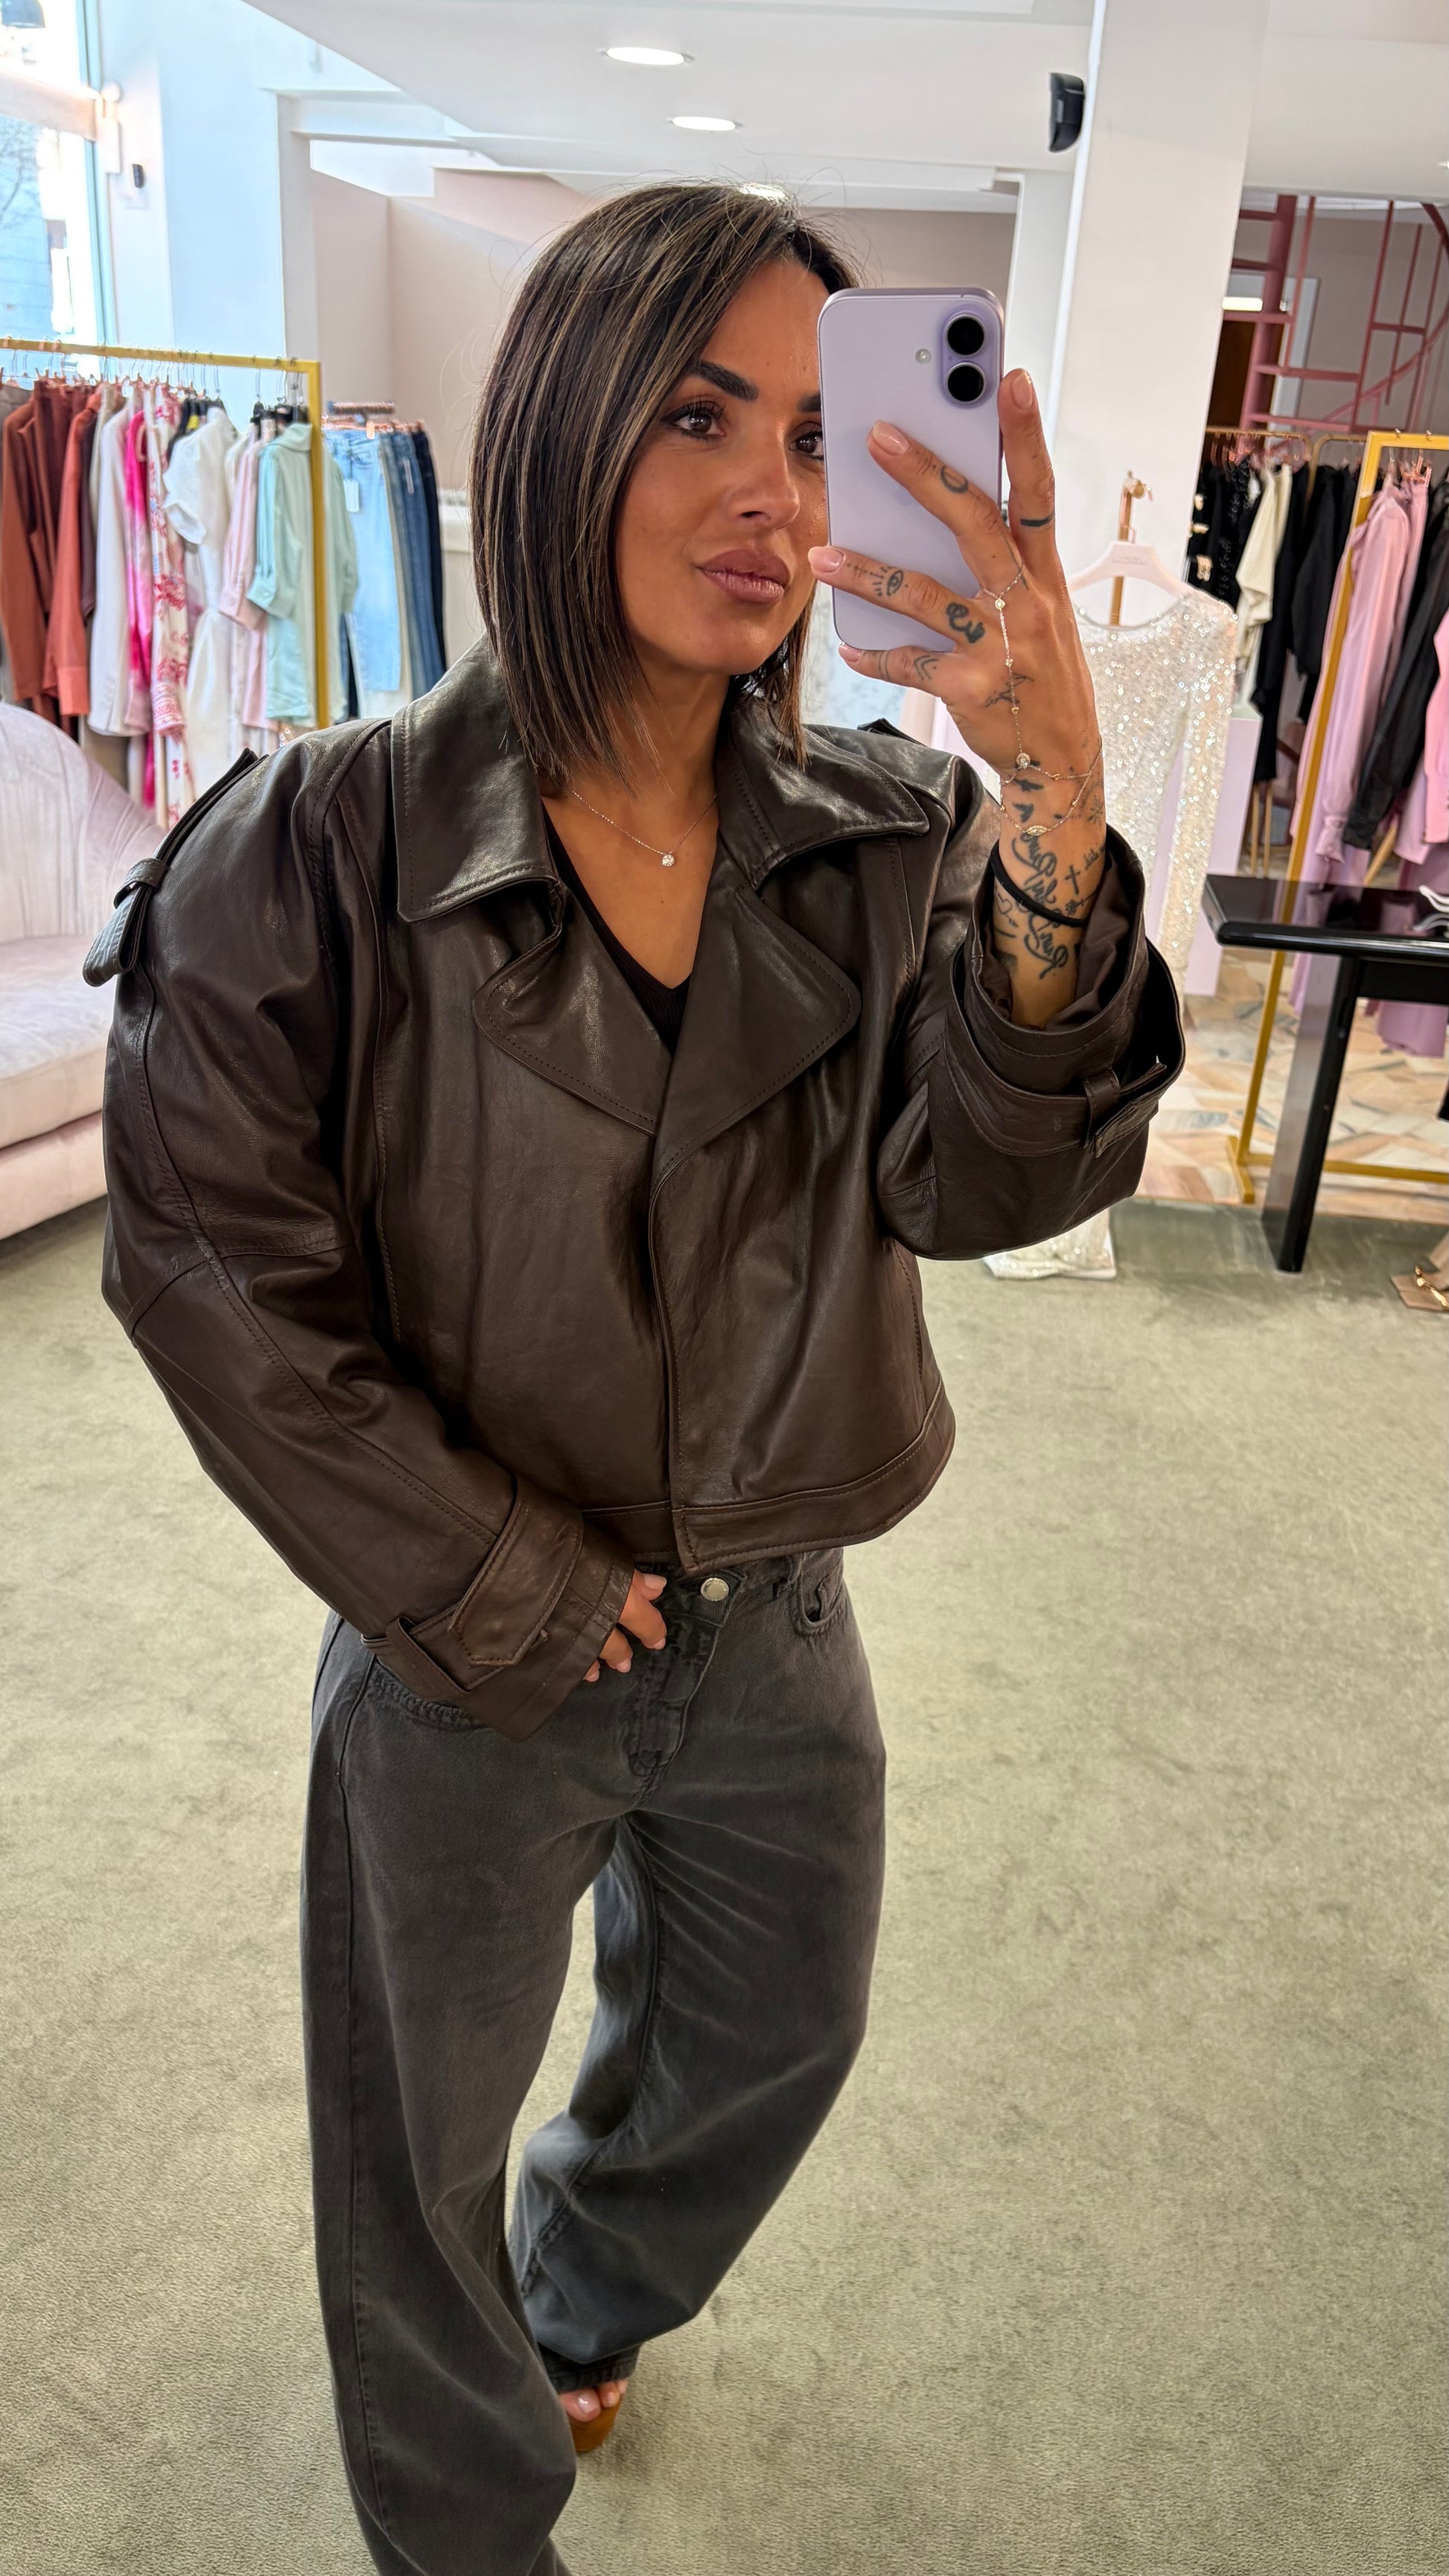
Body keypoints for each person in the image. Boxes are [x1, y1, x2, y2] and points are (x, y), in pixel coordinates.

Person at [95, 182, 1181, 2576]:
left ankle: (580, 2294)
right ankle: (467, 2531)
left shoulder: (887, 839)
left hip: (778, 1614)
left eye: (811, 432)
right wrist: (498, 1575)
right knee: (410, 2149)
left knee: (771, 2038)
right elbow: (210, 1269)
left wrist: (1050, 797)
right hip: (464, 1634)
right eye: (700, 415)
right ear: (563, 416)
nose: (770, 494)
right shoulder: (319, 843)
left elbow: (984, 1183)